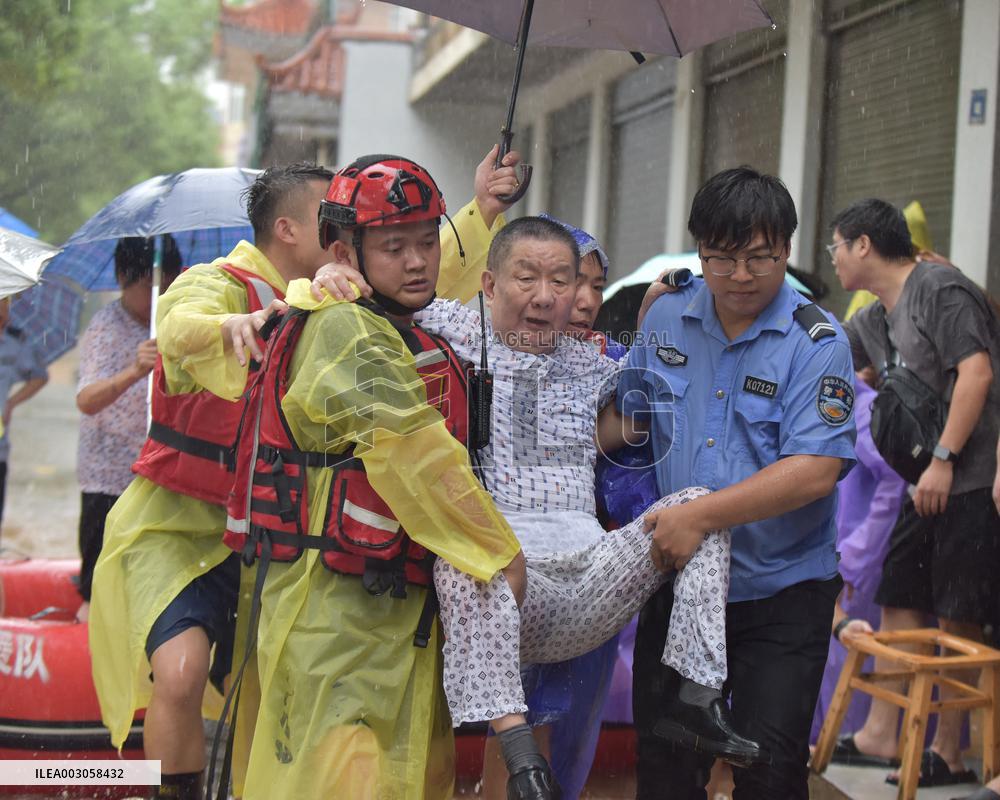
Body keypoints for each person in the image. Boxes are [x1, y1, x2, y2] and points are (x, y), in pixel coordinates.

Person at [224, 154, 527, 800]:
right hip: (334, 621)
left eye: (426, 242)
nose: (418, 261)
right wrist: (498, 552)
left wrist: (484, 209)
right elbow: (412, 451)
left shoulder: (390, 320)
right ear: (342, 251)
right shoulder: (343, 330)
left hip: (394, 621)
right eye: (395, 247)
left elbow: (439, 275)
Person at [619, 166, 857, 799]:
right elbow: (629, 420)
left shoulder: (818, 341)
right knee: (666, 768)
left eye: (760, 258)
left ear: (786, 248)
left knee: (769, 770)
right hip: (674, 581)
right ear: (699, 250)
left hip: (779, 594)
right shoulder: (666, 314)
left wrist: (702, 515)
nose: (742, 277)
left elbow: (816, 469)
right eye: (722, 260)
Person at [830, 198, 1000, 788]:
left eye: (835, 246)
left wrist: (947, 460)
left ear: (863, 246)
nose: (833, 259)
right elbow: (829, 352)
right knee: (900, 594)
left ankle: (950, 749)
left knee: (960, 616)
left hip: (967, 478)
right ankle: (883, 732)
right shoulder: (875, 318)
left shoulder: (940, 290)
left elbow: (977, 373)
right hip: (919, 483)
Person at [74, 235, 181, 618]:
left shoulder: (177, 320)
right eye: (150, 288)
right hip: (109, 476)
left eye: (168, 285)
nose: (159, 297)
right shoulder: (106, 327)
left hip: (158, 471)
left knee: (151, 573)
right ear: (122, 278)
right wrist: (135, 370)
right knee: (99, 577)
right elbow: (86, 400)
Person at [812, 376, 907, 751]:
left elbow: (896, 481)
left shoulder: (862, 408)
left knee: (846, 665)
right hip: (845, 553)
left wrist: (852, 558)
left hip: (858, 565)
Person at [0, 294, 48, 535]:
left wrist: (11, 403)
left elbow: (39, 376)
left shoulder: (16, 341)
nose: (2, 310)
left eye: (6, 304)